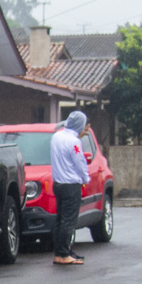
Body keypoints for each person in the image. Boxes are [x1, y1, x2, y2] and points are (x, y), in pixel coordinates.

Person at [50, 111, 91, 266]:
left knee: (60, 219)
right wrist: (85, 178)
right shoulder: (73, 142)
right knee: (69, 221)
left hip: (58, 183)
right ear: (80, 125)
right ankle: (63, 254)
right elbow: (79, 161)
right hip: (71, 184)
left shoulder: (56, 137)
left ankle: (61, 252)